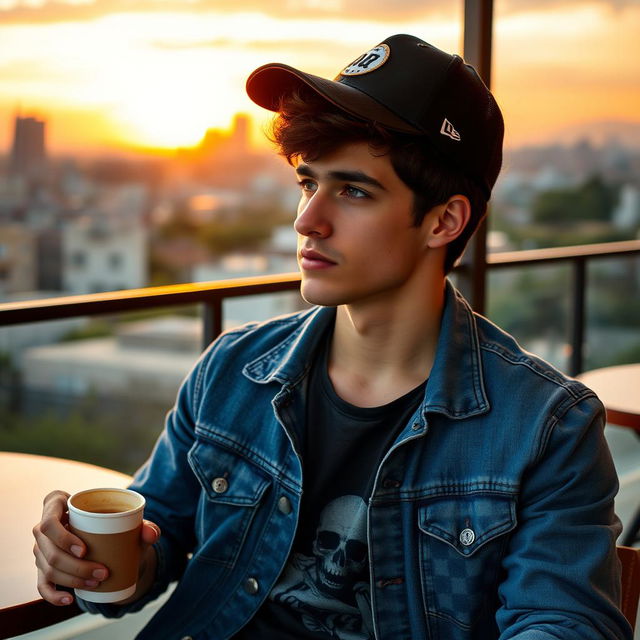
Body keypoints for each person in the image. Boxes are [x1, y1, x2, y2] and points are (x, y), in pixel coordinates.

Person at [32, 34, 632, 640]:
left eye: (353, 191)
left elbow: (564, 622)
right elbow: (158, 531)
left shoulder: (546, 427)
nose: (307, 220)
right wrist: (88, 559)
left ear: (443, 220)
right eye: (307, 183)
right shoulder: (232, 370)